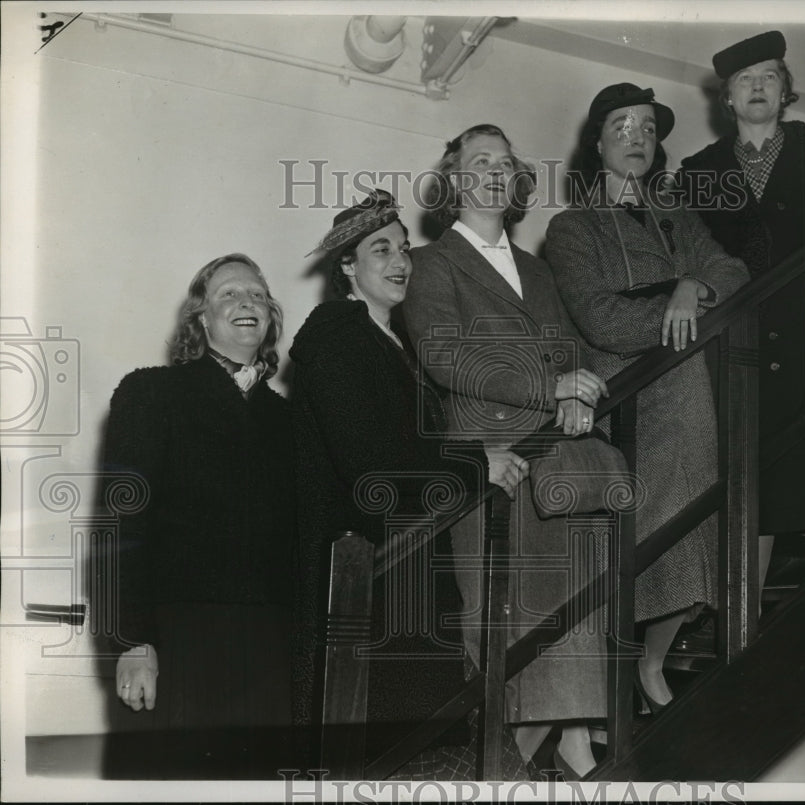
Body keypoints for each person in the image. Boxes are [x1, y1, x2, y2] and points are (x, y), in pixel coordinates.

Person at [290, 190, 530, 779]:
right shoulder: (334, 337)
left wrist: (480, 453)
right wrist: (477, 465)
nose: (400, 261)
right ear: (346, 266)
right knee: (379, 756)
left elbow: (409, 446)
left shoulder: (390, 340)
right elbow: (374, 465)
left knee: (418, 747)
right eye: (380, 250)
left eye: (403, 249)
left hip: (403, 566)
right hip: (363, 571)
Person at [404, 125, 611, 779]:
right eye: (479, 160)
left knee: (572, 598)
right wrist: (548, 387)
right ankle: (503, 765)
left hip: (553, 451)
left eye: (505, 161)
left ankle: (575, 738)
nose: (494, 170)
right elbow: (445, 356)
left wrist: (576, 395)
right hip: (491, 455)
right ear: (454, 180)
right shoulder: (432, 263)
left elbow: (569, 348)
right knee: (501, 624)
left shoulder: (537, 269)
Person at [545, 84, 749, 715]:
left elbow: (734, 270)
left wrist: (692, 284)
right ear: (597, 145)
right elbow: (602, 320)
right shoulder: (571, 227)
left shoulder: (675, 216)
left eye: (647, 128)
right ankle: (633, 671)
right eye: (621, 126)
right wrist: (679, 308)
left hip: (687, 386)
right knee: (660, 536)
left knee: (697, 529)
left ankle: (651, 661)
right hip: (629, 394)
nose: (637, 137)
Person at [680, 31, 805, 600]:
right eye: (745, 80)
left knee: (802, 480)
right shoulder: (698, 170)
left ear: (786, 90)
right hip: (741, 343)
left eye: (769, 75)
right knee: (747, 479)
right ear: (728, 99)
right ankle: (738, 614)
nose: (757, 86)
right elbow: (694, 255)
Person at [101, 254, 295, 778]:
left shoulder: (287, 418)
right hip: (177, 635)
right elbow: (120, 523)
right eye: (230, 294)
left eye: (257, 294)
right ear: (201, 319)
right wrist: (132, 641)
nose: (247, 302)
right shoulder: (152, 393)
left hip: (268, 644)